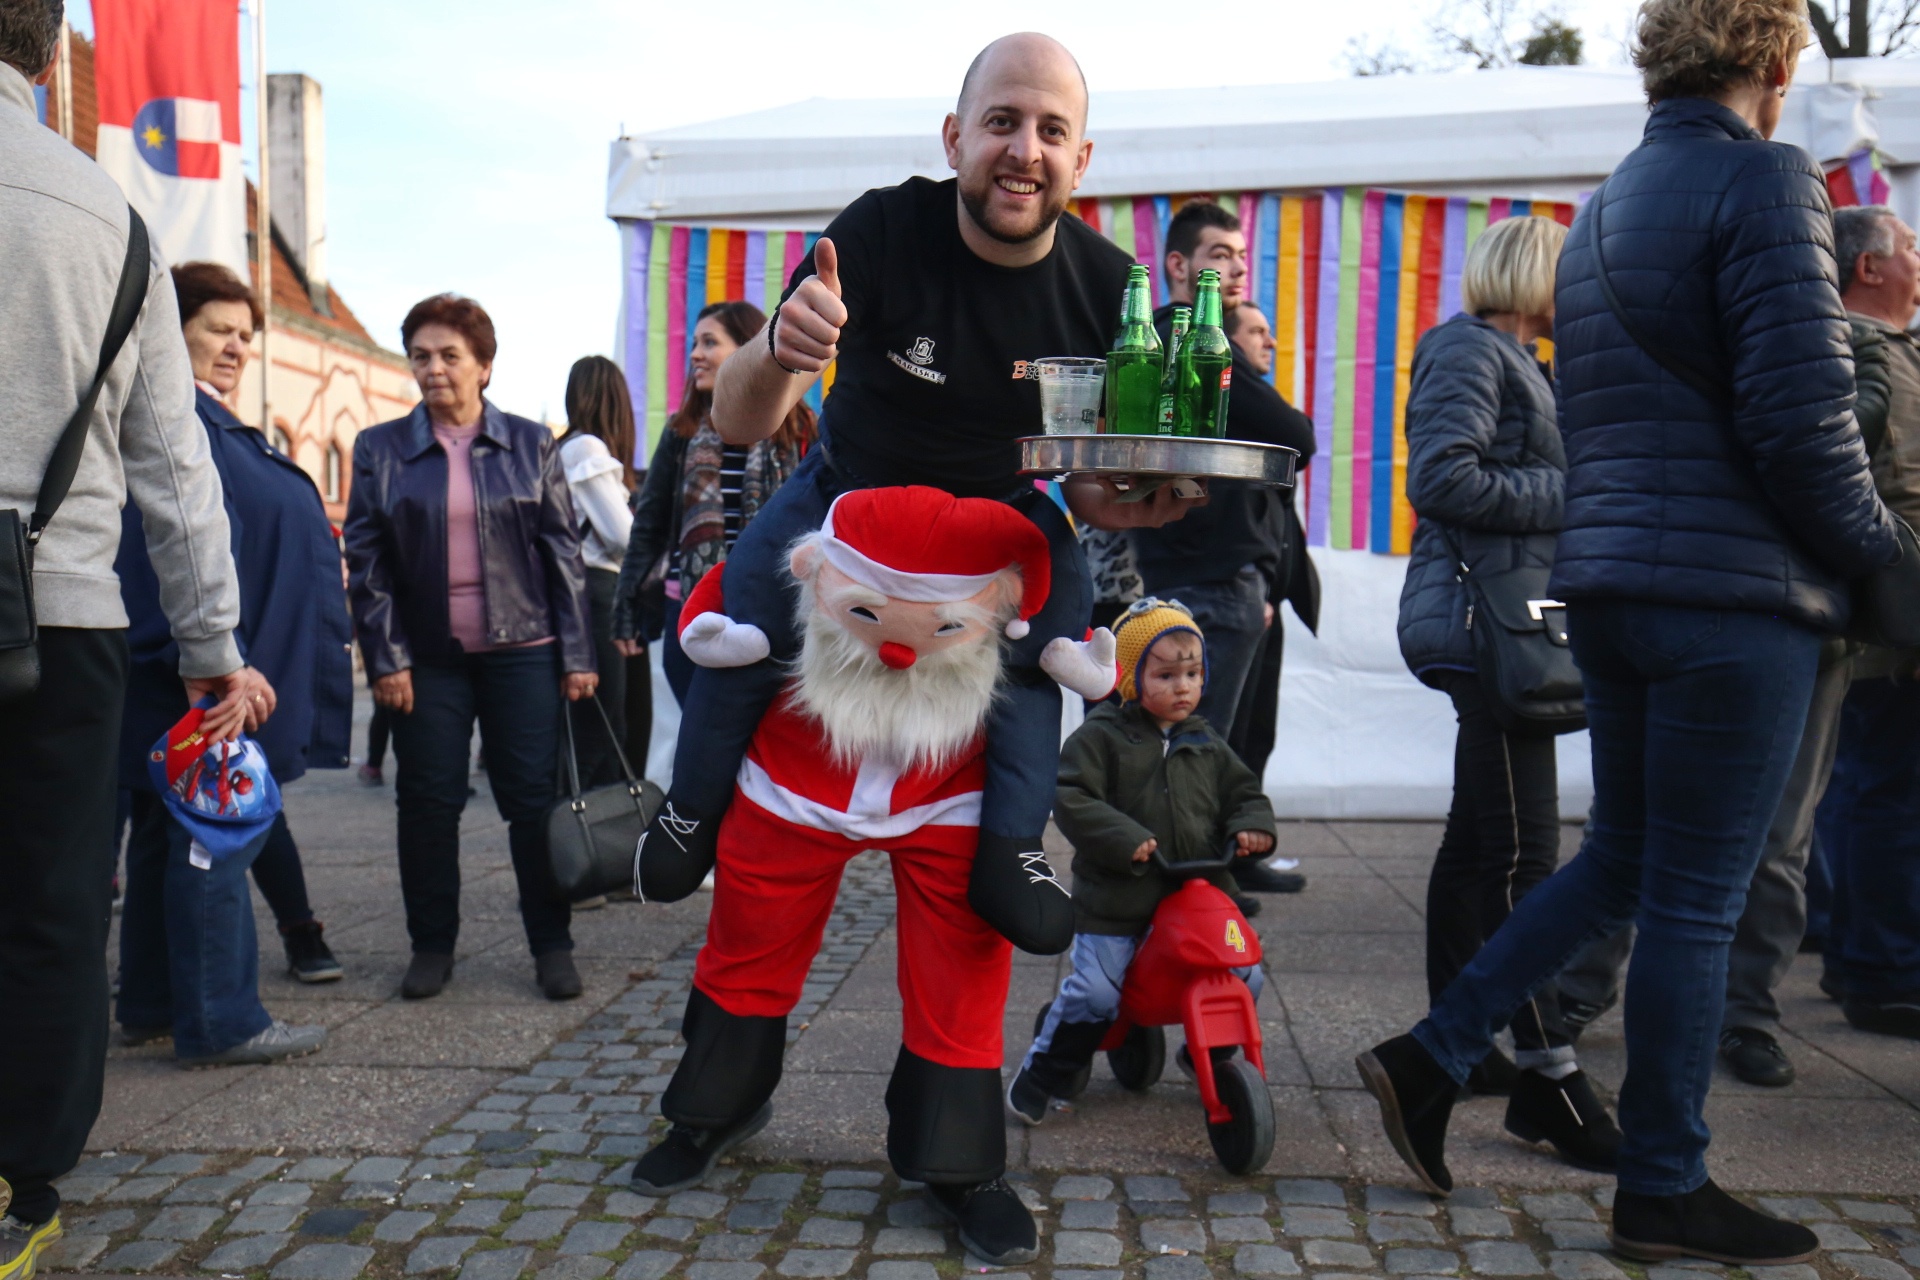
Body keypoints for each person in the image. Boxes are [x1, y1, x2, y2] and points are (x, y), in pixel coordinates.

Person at [628, 33, 1199, 1265]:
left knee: (966, 918)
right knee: (763, 860)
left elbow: (1089, 489)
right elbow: (735, 427)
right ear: (955, 138)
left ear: (1081, 158)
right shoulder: (878, 233)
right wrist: (782, 351)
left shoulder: (1109, 288)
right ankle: (710, 1091)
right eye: (1001, 121)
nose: (1023, 150)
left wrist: (1128, 504)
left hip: (981, 615)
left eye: (1049, 131)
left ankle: (954, 1152)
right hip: (841, 578)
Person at [1358, 0, 1897, 1263]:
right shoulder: (1770, 180)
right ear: (1774, 64)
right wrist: (1885, 556)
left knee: (1620, 864)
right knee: (1696, 901)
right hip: (1730, 596)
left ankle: (1432, 1054)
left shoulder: (1604, 207)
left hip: (1611, 589)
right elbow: (1803, 416)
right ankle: (1662, 1184)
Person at [0, 6, 260, 1270]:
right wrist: (212, 637)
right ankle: (26, 1182)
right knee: (51, 904)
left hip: (59, 616)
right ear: (50, 58)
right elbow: (174, 460)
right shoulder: (109, 216)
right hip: (60, 614)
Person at [1394, 214, 1619, 1170]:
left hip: (1508, 625)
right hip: (1489, 627)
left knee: (1483, 843)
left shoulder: (1515, 356)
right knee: (1529, 855)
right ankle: (1547, 1073)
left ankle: (1464, 1034)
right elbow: (1445, 480)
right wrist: (1581, 494)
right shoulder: (1470, 349)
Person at [114, 262, 353, 1056]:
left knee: (165, 837)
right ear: (166, 330)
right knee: (210, 836)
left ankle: (154, 1002)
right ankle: (220, 1018)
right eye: (219, 328)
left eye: (246, 335)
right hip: (208, 678)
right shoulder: (172, 425)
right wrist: (218, 656)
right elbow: (160, 556)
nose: (237, 347)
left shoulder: (204, 421)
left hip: (225, 670)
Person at [343, 293, 598, 1003]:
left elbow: (563, 555)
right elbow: (366, 564)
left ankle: (552, 945)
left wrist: (579, 655)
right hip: (427, 656)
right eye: (420, 356)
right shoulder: (380, 449)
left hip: (525, 649)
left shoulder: (530, 443)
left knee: (531, 804)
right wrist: (386, 658)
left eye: (450, 356)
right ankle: (432, 946)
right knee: (426, 803)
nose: (433, 369)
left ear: (484, 366)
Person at [1008, 600, 1274, 1122]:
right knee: (1098, 993)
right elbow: (1072, 796)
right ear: (1130, 677)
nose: (1183, 687)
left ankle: (1214, 1059)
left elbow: (1243, 791)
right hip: (1118, 901)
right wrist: (1124, 836)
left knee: (1246, 974)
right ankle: (1044, 1072)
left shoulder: (1205, 740)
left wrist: (1251, 825)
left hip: (1197, 893)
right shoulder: (1102, 738)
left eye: (1193, 673)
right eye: (1167, 674)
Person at [1126, 201, 1317, 901]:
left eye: (1238, 257)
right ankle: (1195, 888)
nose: (1233, 270)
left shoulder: (1171, 338)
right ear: (1177, 266)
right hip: (1209, 576)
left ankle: (1199, 880)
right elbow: (1297, 434)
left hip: (1204, 573)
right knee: (1201, 750)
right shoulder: (1189, 335)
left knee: (1200, 746)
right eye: (1217, 256)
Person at [1816, 205, 1920, 1042]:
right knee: (1886, 790)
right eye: (1910, 248)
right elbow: (1889, 495)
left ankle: (1860, 955)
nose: (1919, 259)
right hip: (1894, 613)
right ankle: (1883, 971)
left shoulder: (1894, 350)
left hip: (1894, 607)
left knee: (1872, 786)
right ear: (1870, 269)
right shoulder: (1859, 349)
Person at [612, 301, 815, 705]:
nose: (695, 355)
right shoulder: (681, 431)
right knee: (698, 728)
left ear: (747, 350)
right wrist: (627, 608)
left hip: (772, 608)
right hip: (690, 611)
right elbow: (649, 524)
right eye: (693, 344)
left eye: (709, 342)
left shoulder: (798, 428)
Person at [1219, 302, 1321, 805]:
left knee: (1258, 730)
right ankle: (1221, 860)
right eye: (1258, 331)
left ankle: (1242, 844)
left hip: (1265, 591)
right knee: (1231, 732)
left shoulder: (1255, 398)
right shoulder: (1230, 394)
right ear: (1232, 344)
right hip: (1241, 586)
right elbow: (1300, 434)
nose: (1271, 342)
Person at [558, 356, 638, 788]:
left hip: (583, 589)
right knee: (604, 725)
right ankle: (586, 837)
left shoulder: (565, 448)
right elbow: (624, 536)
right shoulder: (586, 449)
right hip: (597, 588)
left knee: (593, 723)